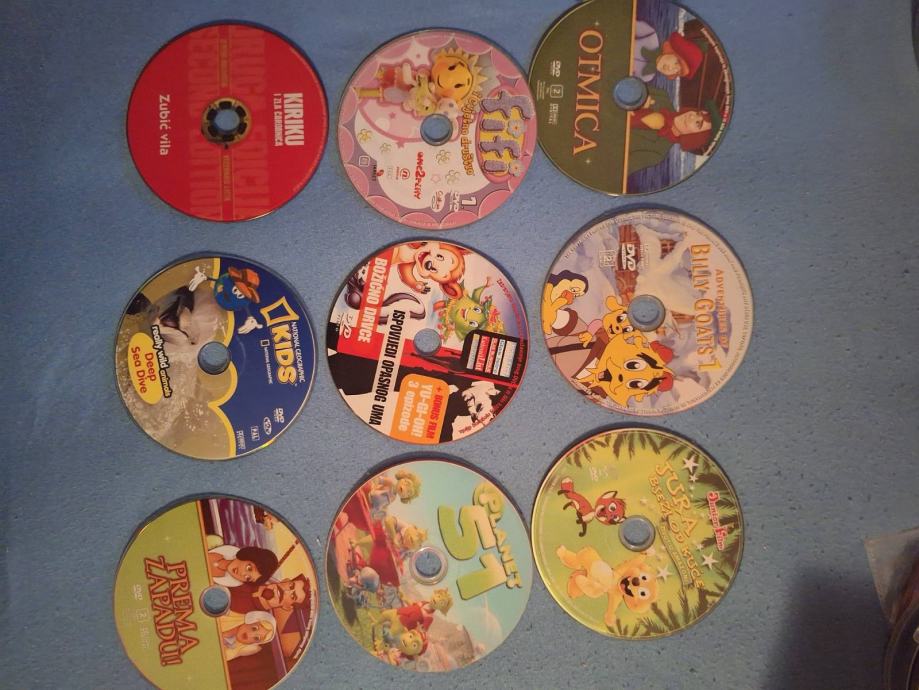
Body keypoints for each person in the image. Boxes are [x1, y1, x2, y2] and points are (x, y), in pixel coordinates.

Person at [627, 86, 718, 175]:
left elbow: (620, 169)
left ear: (695, 138)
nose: (691, 116)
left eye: (698, 123)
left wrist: (638, 117)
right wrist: (634, 103)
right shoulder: (661, 96)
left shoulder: (656, 152)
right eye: (698, 113)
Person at [633, 30, 704, 82]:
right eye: (676, 63)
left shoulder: (648, 76)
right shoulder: (650, 35)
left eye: (677, 72)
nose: (670, 69)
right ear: (670, 49)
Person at [207, 538, 279, 588]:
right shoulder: (216, 542)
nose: (243, 574)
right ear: (247, 556)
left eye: (248, 578)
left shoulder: (218, 586)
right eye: (249, 568)